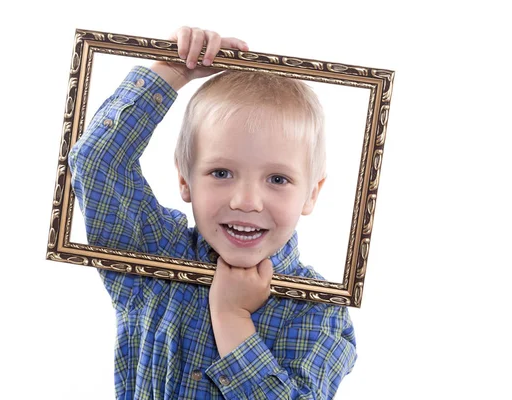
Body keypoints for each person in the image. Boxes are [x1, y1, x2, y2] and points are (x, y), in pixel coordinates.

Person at [68, 26, 357, 399]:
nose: (246, 201)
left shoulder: (317, 313)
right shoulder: (155, 254)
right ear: (185, 181)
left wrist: (232, 318)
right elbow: (97, 164)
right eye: (221, 173)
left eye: (277, 179)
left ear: (311, 194)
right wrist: (172, 71)